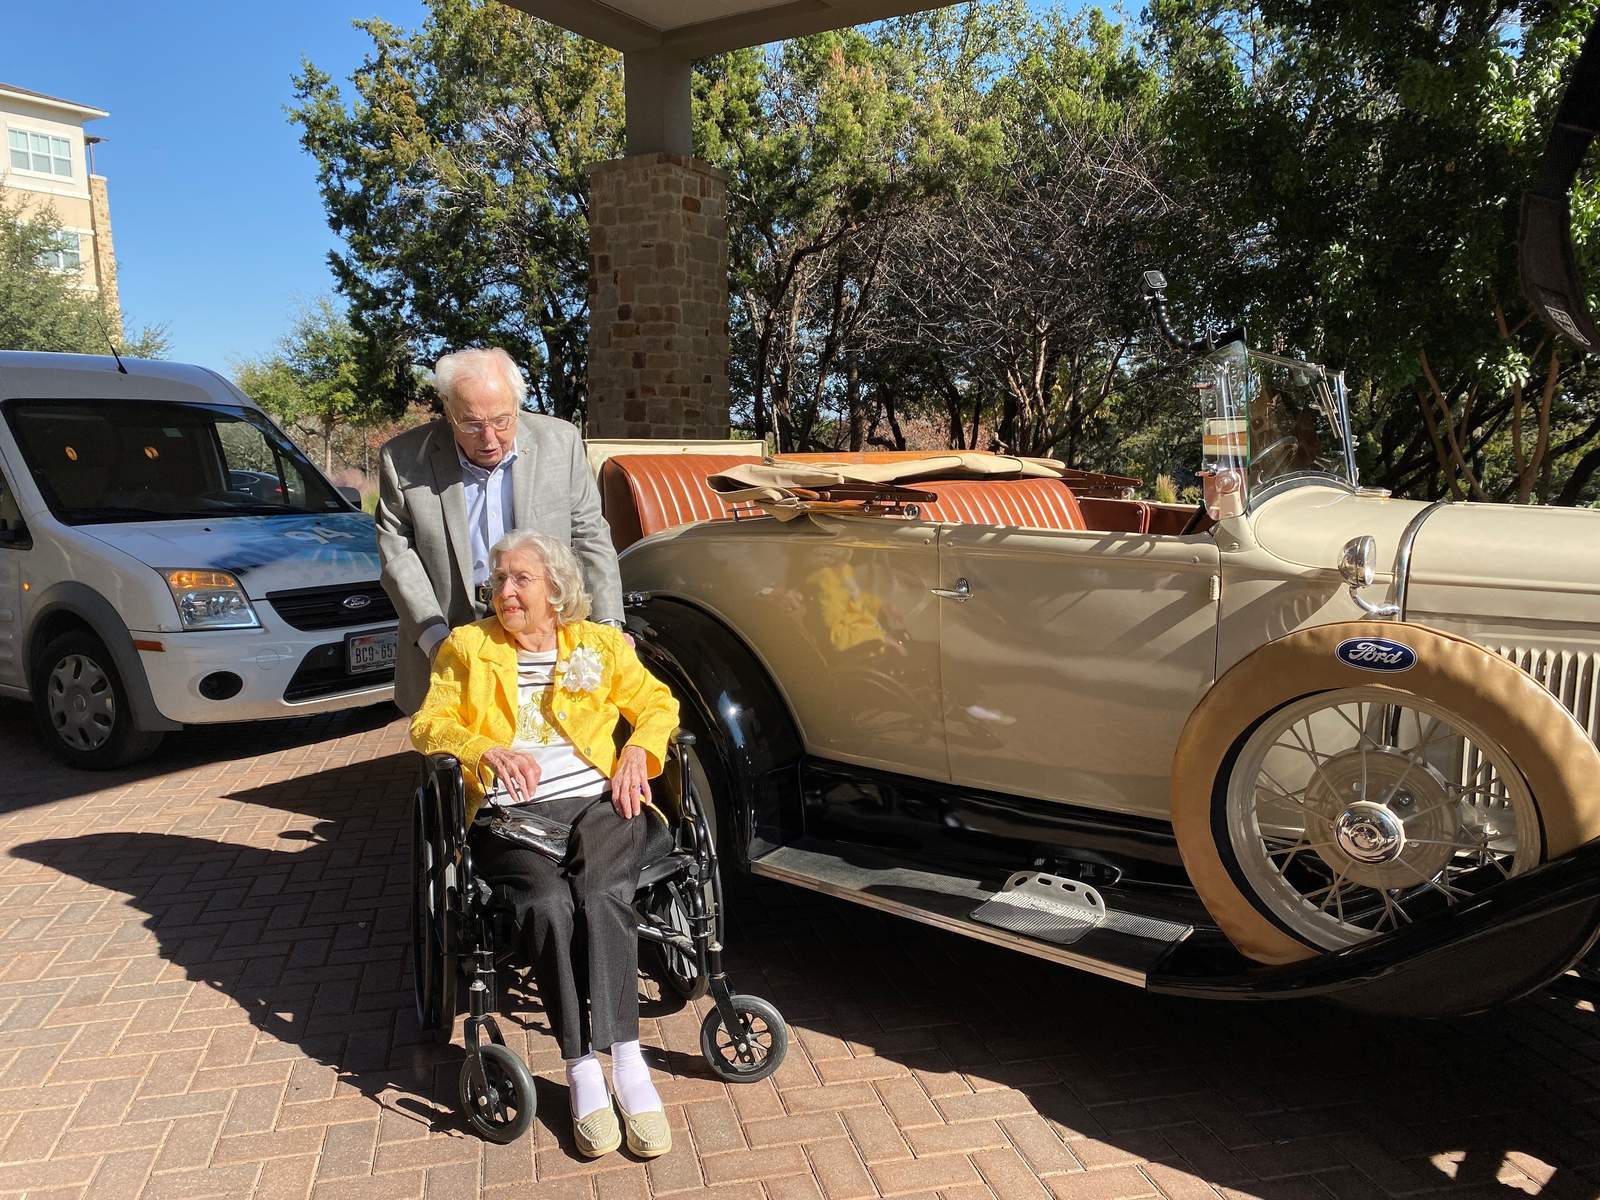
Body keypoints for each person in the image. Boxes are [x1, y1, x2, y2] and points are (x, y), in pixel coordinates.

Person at [410, 530, 679, 1159]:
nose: (504, 591)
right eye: (498, 580)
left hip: (601, 802)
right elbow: (430, 723)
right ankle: (582, 1065)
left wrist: (640, 748)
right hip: (514, 816)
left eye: (519, 579)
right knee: (547, 905)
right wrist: (484, 749)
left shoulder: (600, 645)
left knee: (603, 890)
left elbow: (656, 704)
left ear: (555, 590)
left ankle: (629, 1063)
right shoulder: (467, 648)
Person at [377, 347, 623, 714]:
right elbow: (397, 554)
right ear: (448, 408)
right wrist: (436, 642)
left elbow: (589, 535)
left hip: (545, 638)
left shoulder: (561, 442)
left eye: (503, 420)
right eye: (472, 424)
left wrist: (609, 627)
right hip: (450, 636)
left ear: (517, 403)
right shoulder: (403, 459)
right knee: (457, 762)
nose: (489, 438)